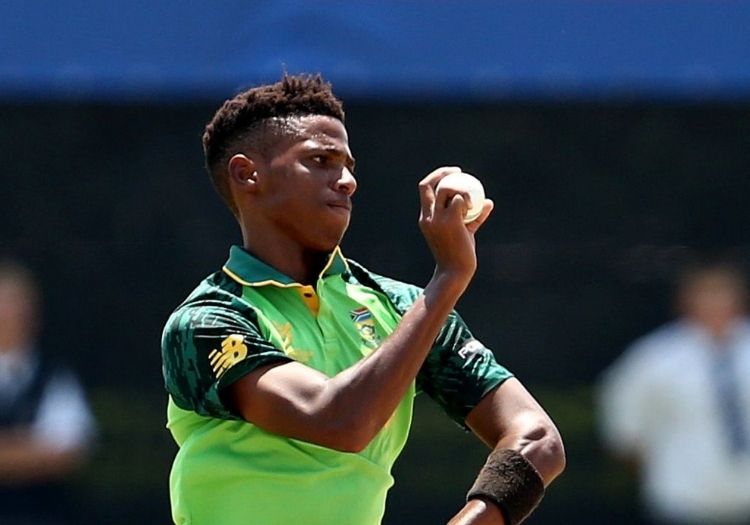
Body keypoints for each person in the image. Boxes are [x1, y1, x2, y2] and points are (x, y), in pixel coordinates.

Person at [161, 73, 565, 525]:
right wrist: (449, 278)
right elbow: (338, 422)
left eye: (349, 165)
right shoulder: (207, 321)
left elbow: (537, 440)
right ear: (246, 174)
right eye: (320, 160)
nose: (347, 181)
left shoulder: (401, 307)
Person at [598, 261, 750, 525]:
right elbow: (625, 429)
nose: (715, 302)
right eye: (706, 293)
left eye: (722, 292)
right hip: (684, 498)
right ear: (687, 299)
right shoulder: (654, 357)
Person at [0, 260, 96, 525]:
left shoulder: (55, 378)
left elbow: (67, 452)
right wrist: (28, 447)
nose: (6, 316)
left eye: (14, 306)